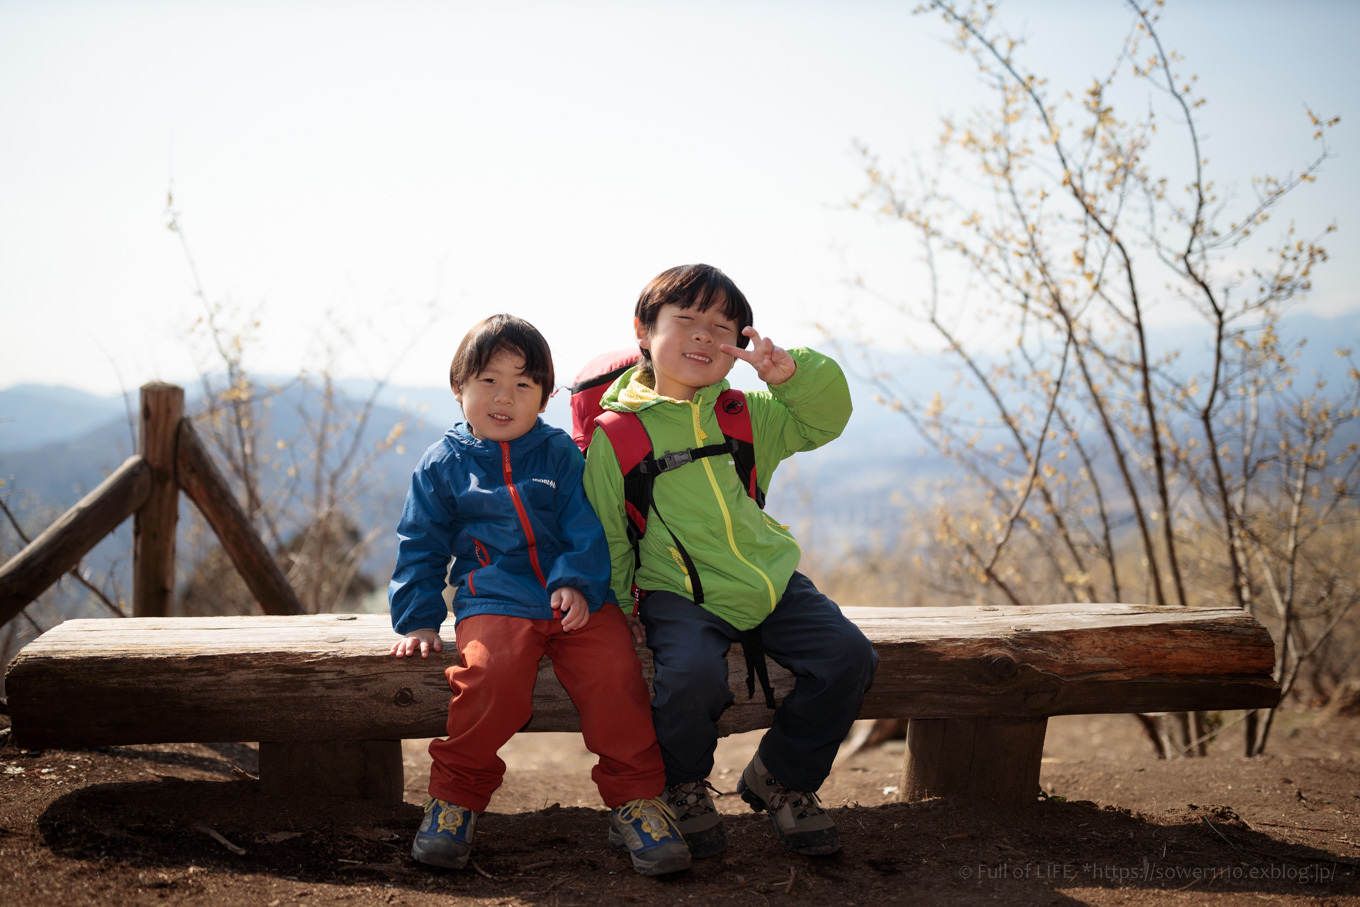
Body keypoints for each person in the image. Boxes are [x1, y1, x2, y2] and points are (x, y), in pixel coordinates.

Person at [582, 264, 879, 859]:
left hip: (768, 581)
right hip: (677, 592)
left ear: (738, 347)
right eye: (685, 320)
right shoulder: (616, 436)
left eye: (723, 328)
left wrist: (793, 376)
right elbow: (609, 536)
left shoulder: (746, 415)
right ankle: (684, 785)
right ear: (643, 330)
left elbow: (824, 421)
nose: (702, 336)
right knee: (692, 679)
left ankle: (783, 777)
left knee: (849, 657)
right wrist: (618, 609)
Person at [388, 314, 690, 877]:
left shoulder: (557, 455)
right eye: (488, 381)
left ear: (545, 398)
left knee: (616, 675)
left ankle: (638, 800)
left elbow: (586, 524)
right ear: (459, 388)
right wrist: (418, 619)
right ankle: (455, 800)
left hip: (576, 600)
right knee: (489, 678)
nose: (504, 397)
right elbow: (420, 544)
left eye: (523, 385)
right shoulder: (441, 465)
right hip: (493, 600)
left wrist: (577, 580)